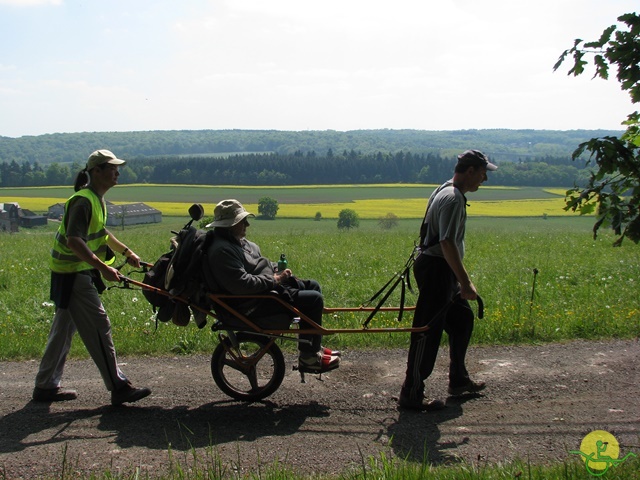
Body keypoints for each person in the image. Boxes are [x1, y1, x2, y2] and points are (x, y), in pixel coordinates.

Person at [33, 149, 151, 406]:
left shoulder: (95, 200)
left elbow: (101, 233)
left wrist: (127, 252)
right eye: (112, 168)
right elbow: (75, 241)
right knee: (99, 326)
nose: (117, 172)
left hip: (70, 272)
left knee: (63, 330)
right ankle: (118, 386)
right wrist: (103, 268)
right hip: (74, 273)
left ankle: (45, 385)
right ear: (96, 172)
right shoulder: (84, 201)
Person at [399, 149, 497, 411]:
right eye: (483, 173)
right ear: (470, 171)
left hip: (437, 268)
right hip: (438, 270)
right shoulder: (453, 199)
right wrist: (465, 282)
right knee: (426, 332)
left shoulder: (444, 188)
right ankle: (411, 393)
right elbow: (447, 242)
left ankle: (458, 380)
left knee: (462, 319)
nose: (484, 179)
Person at [203, 199, 340, 373]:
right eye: (242, 221)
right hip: (253, 304)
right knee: (314, 300)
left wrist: (277, 270)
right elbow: (242, 284)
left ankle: (313, 347)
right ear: (230, 225)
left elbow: (257, 266)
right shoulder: (222, 251)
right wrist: (275, 279)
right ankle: (309, 358)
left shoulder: (238, 242)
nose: (247, 224)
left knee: (313, 286)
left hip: (264, 293)